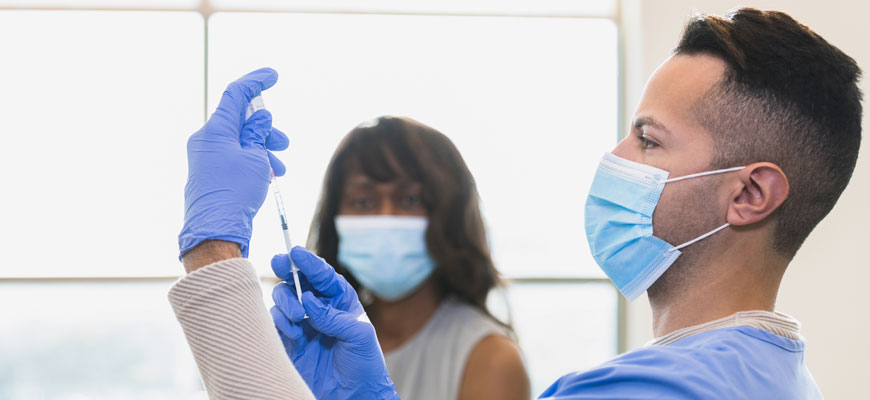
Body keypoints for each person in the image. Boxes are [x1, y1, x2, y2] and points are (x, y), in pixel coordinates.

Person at [169, 7, 862, 400]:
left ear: (749, 193)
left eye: (648, 141)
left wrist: (213, 256)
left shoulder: (652, 394)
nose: (615, 158)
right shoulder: (765, 371)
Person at [271, 116, 529, 399]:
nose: (386, 217)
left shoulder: (490, 358)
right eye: (363, 202)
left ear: (449, 217)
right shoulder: (314, 347)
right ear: (335, 218)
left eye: (409, 200)